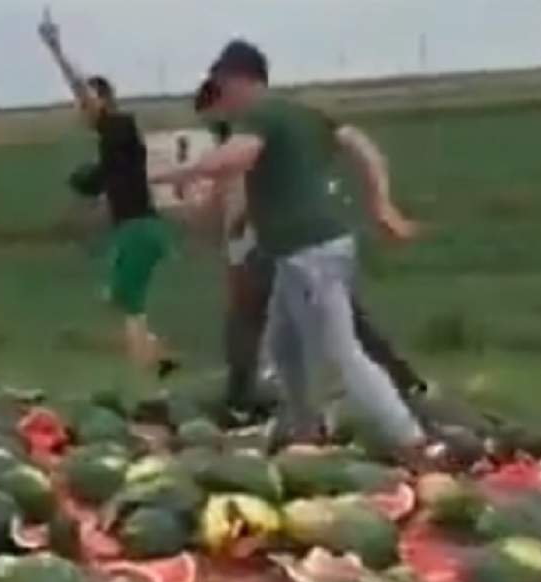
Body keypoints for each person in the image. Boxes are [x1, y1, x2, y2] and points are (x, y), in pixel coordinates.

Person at [154, 41, 424, 454]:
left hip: (309, 252)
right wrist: (379, 201)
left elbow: (237, 158)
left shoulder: (259, 115)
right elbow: (360, 144)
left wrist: (178, 174)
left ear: (240, 79)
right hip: (308, 250)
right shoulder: (301, 113)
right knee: (281, 344)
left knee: (342, 353)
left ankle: (411, 439)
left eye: (222, 85)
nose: (221, 95)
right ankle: (305, 429)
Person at [37, 10, 175, 381]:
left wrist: (56, 49)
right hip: (140, 231)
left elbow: (84, 92)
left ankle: (142, 377)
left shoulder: (118, 126)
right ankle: (161, 361)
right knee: (117, 298)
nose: (80, 109)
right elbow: (99, 186)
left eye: (85, 102)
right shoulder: (115, 144)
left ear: (102, 101)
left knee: (130, 308)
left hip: (139, 231)